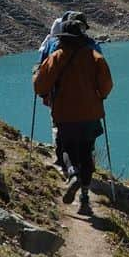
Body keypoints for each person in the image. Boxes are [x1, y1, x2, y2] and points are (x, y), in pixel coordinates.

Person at [33, 15, 113, 214]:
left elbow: (40, 85)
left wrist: (44, 92)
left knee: (67, 147)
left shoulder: (56, 56)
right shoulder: (95, 57)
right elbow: (106, 85)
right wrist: (99, 96)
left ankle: (72, 173)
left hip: (64, 112)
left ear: (63, 37)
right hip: (90, 113)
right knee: (87, 151)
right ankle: (85, 198)